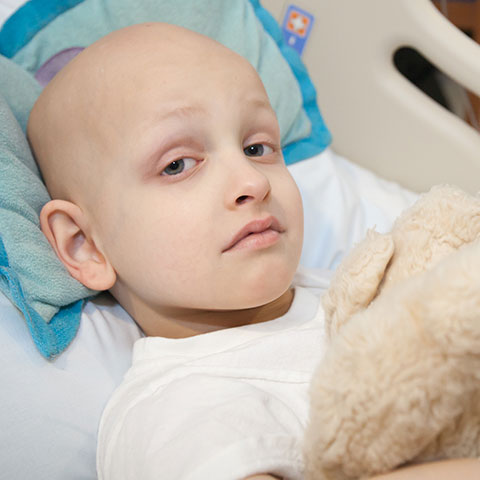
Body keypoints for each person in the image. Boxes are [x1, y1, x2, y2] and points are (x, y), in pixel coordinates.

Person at [27, 22, 480, 480]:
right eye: (178, 164)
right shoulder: (177, 411)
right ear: (84, 245)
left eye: (257, 146)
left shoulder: (347, 283)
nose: (253, 181)